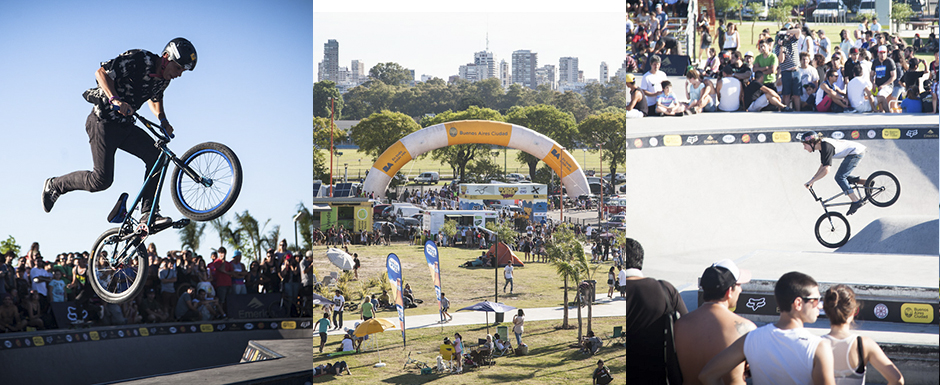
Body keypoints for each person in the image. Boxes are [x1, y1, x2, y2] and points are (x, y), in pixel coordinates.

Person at [42, 38, 197, 228]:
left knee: (156, 156)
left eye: (183, 71)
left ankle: (148, 213)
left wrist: (163, 120)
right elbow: (101, 73)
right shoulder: (140, 58)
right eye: (179, 68)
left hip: (125, 126)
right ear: (166, 57)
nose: (180, 74)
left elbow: (155, 98)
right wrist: (114, 99)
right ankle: (55, 185)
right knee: (101, 180)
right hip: (102, 123)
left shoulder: (163, 81)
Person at [700, 271, 835, 385]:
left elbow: (706, 375)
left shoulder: (751, 338)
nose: (820, 305)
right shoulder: (818, 347)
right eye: (815, 300)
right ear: (798, 303)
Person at [674, 259, 756, 385]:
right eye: (739, 285)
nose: (740, 290)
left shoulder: (680, 325)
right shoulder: (746, 328)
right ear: (729, 291)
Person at [619, 238, 688, 383]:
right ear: (640, 259)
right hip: (659, 377)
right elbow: (688, 329)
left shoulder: (621, 296)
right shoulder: (665, 290)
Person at [822, 284, 904, 384]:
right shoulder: (864, 344)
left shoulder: (815, 345)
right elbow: (897, 380)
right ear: (853, 311)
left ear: (826, 310)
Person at [801, 131, 868, 215]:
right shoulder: (822, 146)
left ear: (811, 143)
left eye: (804, 145)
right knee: (842, 177)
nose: (804, 148)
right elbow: (823, 165)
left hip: (856, 152)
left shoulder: (826, 146)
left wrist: (812, 181)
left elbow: (826, 170)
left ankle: (856, 201)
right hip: (854, 152)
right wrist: (812, 180)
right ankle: (866, 182)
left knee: (840, 177)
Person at [871, 45, 897, 112]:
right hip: (877, 85)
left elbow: (894, 76)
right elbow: (871, 75)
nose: (882, 55)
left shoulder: (890, 62)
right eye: (881, 53)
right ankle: (881, 111)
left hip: (888, 86)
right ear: (878, 53)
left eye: (884, 53)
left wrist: (884, 85)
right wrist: (873, 84)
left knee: (880, 95)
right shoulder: (875, 62)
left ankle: (887, 112)